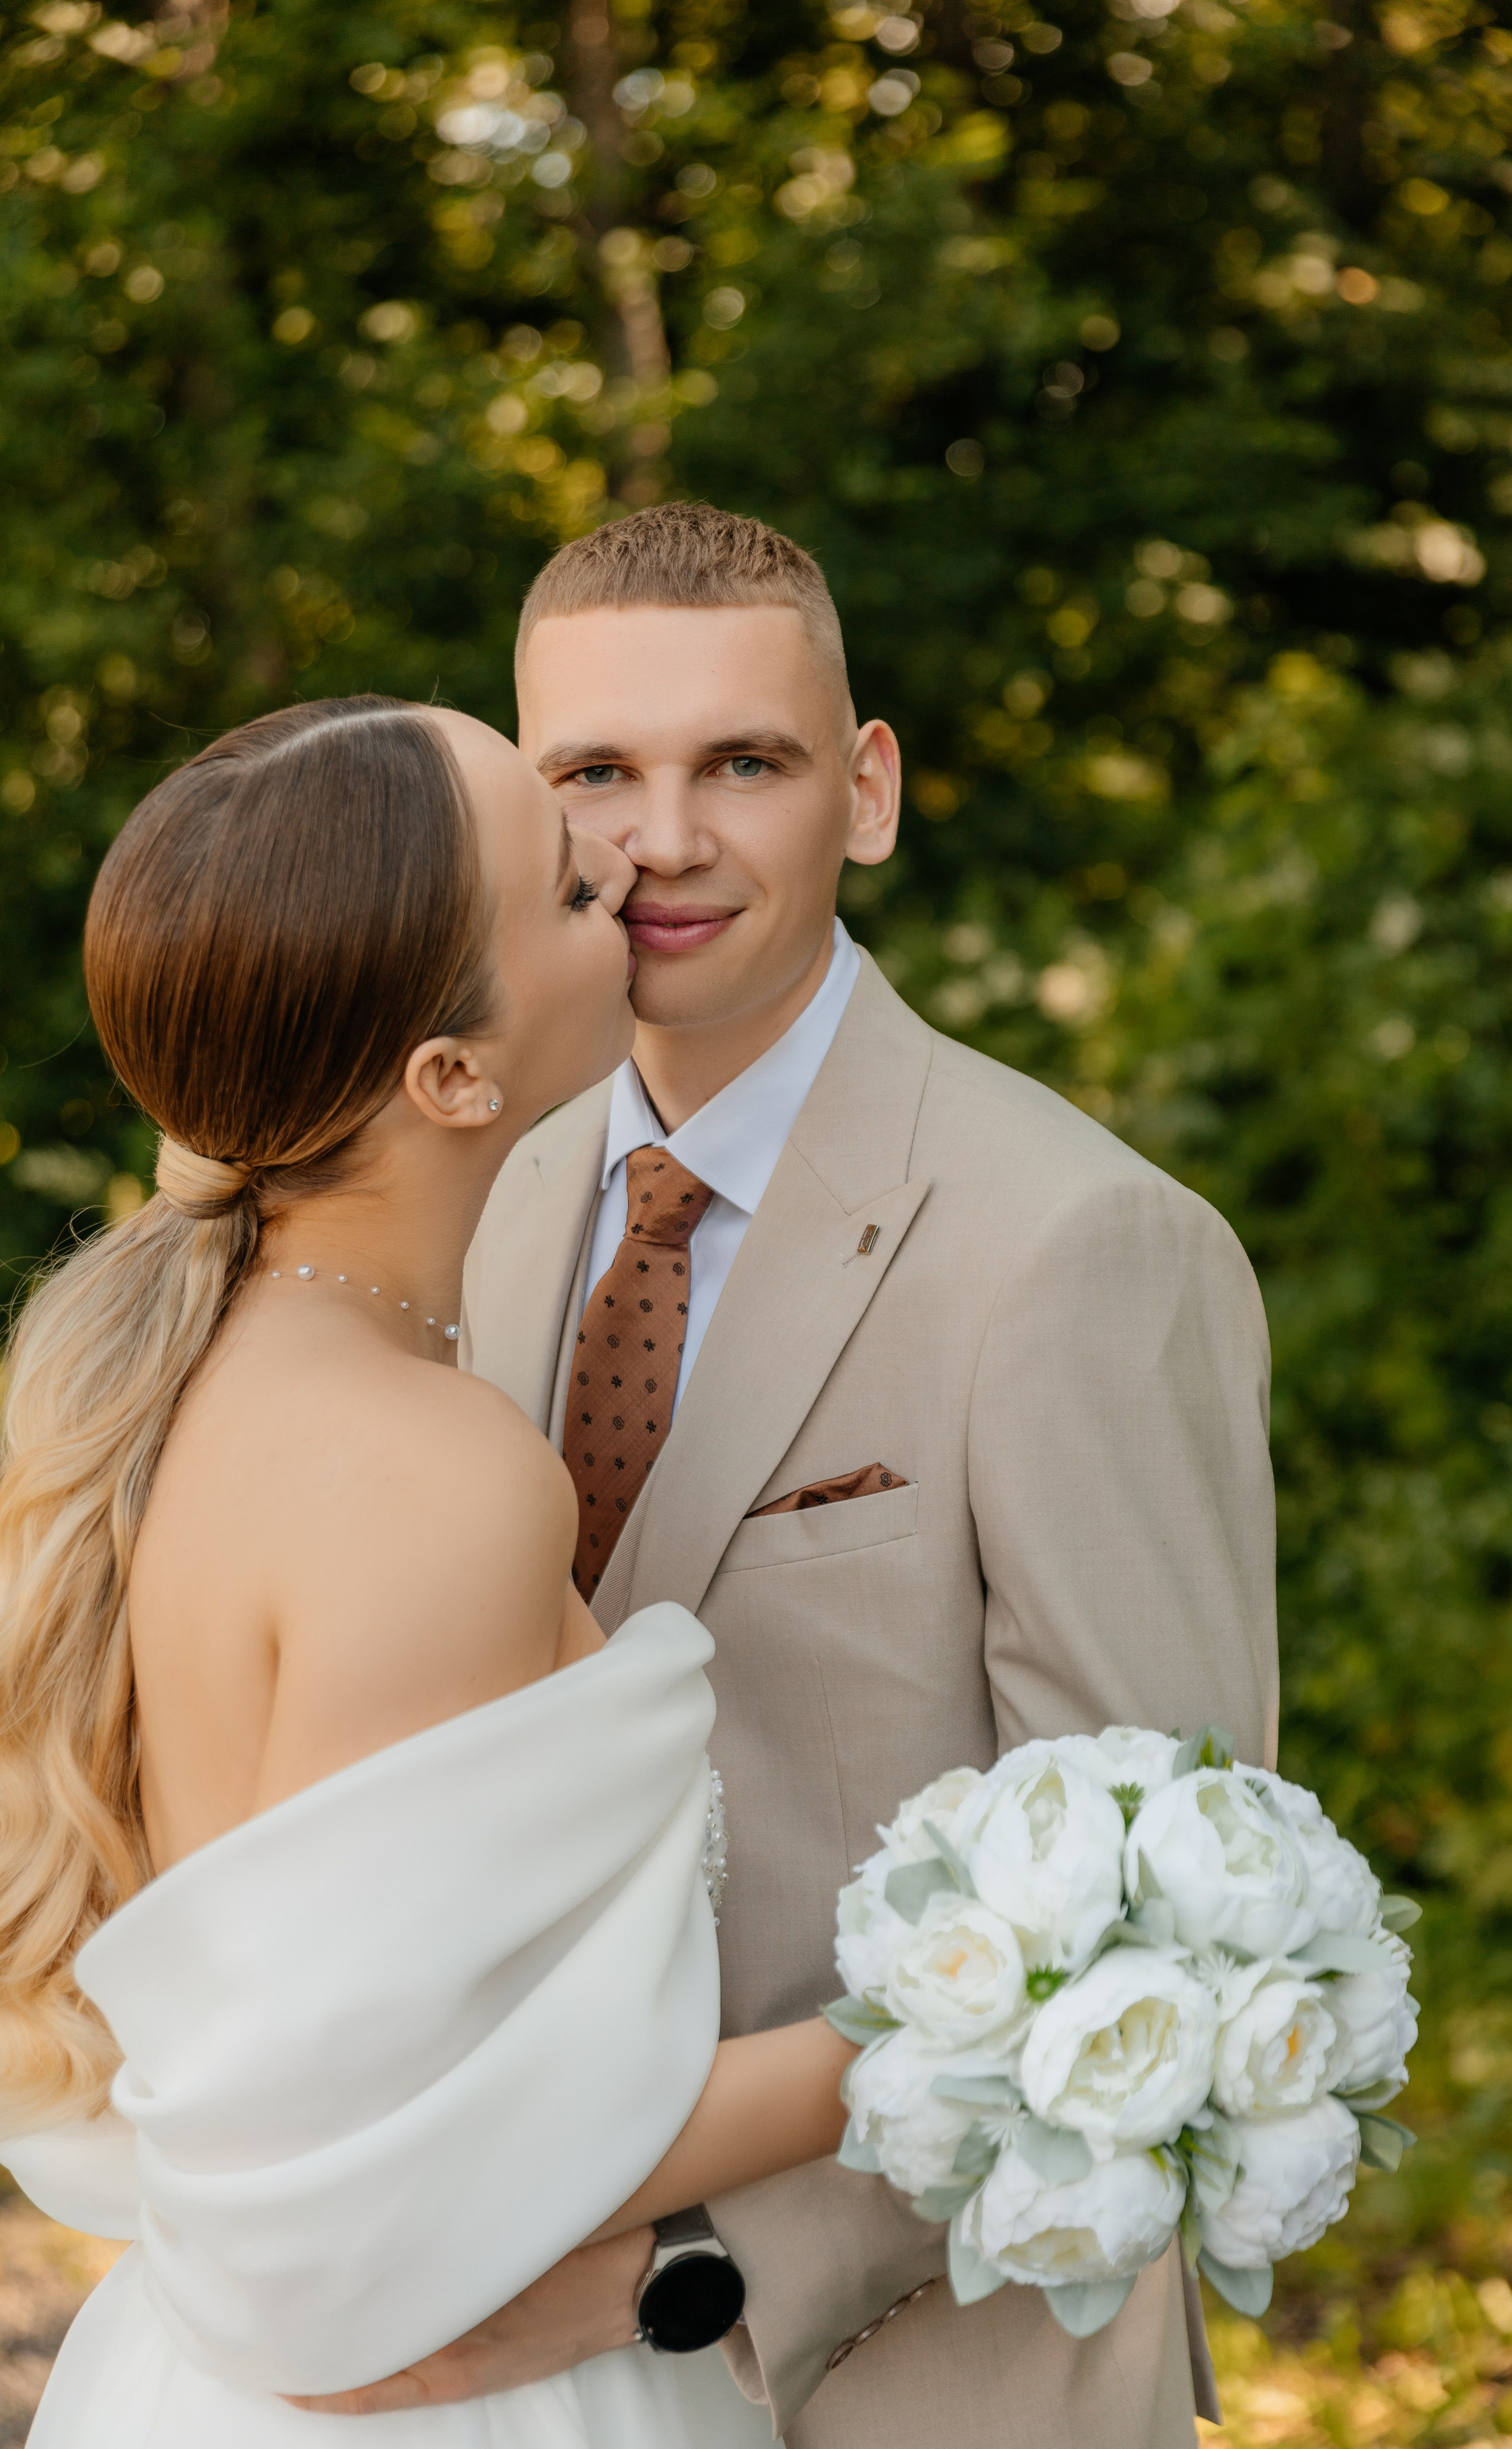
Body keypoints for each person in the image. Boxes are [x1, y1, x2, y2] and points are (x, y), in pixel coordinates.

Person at [0, 696, 862, 2446]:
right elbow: (394, 2170)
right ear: (453, 1077)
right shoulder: (435, 1473)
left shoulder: (218, 1366)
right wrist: (971, 2035)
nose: (634, 861)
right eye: (569, 884)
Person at [454, 505, 1280, 2448]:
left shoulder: (1080, 1243)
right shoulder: (475, 1199)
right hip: (511, 2334)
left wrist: (681, 2279)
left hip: (937, 2365)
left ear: (870, 788)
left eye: (743, 762)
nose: (663, 841)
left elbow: (1157, 1922)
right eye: (596, 774)